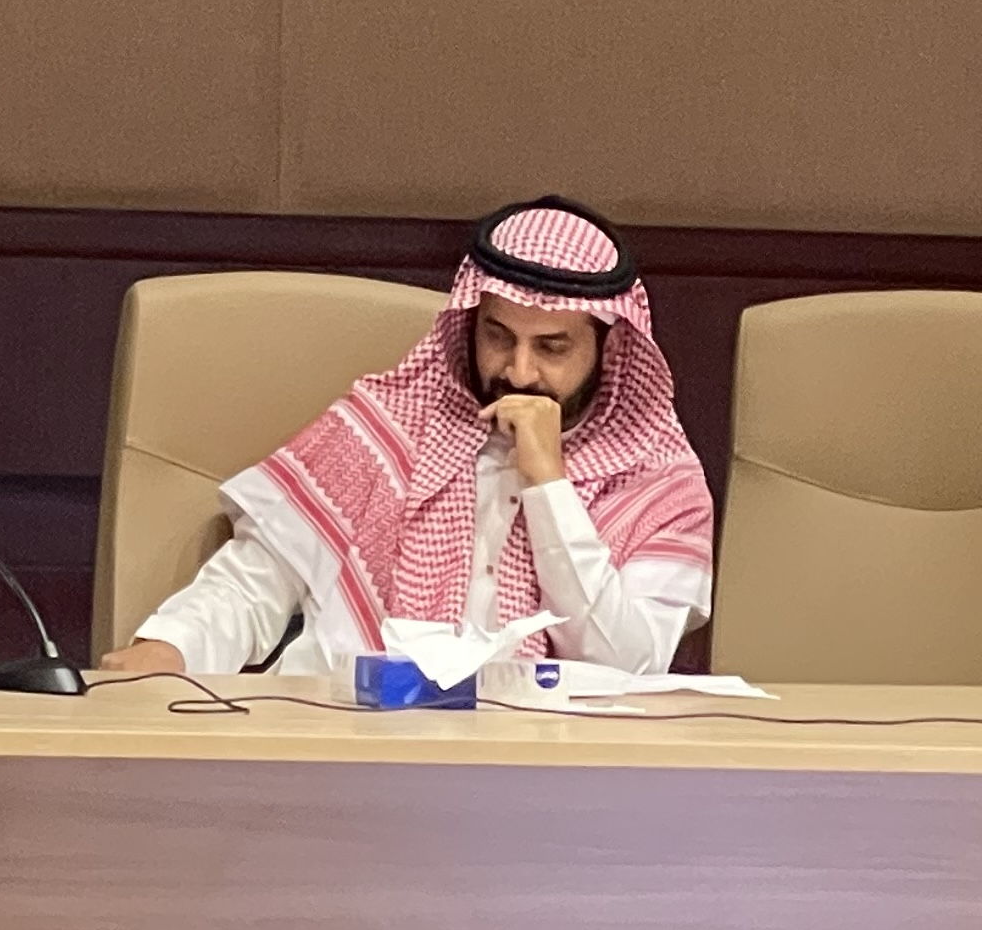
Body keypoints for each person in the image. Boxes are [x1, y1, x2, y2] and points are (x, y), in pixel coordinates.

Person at [112, 196, 714, 678]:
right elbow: (252, 584)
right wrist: (171, 649)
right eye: (498, 336)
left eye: (552, 347)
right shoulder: (387, 428)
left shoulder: (658, 480)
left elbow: (626, 664)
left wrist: (549, 487)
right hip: (349, 750)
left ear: (610, 349)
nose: (519, 371)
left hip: (548, 774)